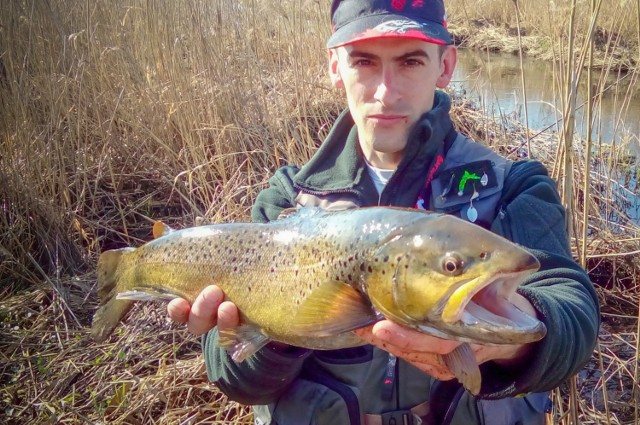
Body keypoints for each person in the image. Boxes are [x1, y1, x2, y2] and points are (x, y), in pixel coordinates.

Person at [168, 1, 600, 424]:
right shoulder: (286, 201)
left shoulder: (515, 185)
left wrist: (509, 342)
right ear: (336, 67)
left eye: (410, 62)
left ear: (445, 65)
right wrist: (291, 323)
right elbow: (233, 379)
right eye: (364, 62)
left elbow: (573, 314)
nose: (385, 92)